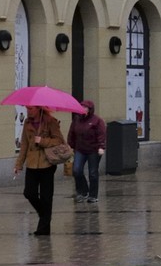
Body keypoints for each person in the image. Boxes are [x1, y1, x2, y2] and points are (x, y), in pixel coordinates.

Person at [14, 105, 67, 236]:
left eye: (31, 108)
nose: (28, 111)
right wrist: (18, 164)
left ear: (38, 109)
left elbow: (59, 140)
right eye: (27, 109)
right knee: (29, 193)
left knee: (46, 197)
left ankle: (43, 229)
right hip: (32, 164)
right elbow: (24, 145)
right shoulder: (27, 123)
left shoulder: (50, 121)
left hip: (47, 164)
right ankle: (44, 215)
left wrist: (42, 141)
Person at [68, 99, 107, 204]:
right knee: (76, 170)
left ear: (90, 110)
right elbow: (72, 133)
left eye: (85, 108)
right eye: (81, 107)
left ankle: (93, 195)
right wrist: (71, 145)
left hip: (93, 150)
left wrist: (101, 147)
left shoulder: (97, 120)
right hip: (80, 149)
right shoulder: (76, 119)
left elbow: (101, 134)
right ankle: (83, 191)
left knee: (93, 173)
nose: (83, 109)